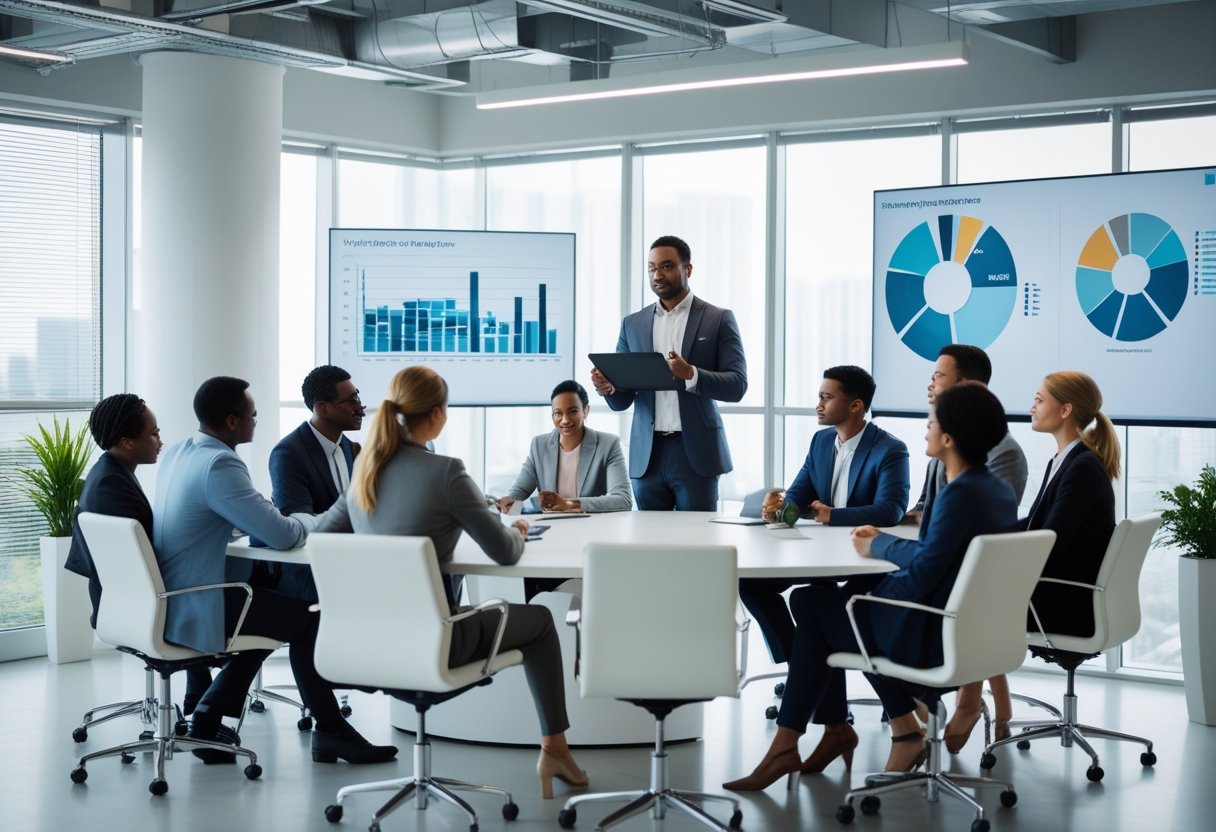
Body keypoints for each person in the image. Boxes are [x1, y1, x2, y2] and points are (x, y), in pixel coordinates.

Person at [723, 382, 1018, 791]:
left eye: (932, 422)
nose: (926, 429)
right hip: (970, 634)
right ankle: (826, 735)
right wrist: (878, 552)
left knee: (812, 607)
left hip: (929, 636)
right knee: (817, 602)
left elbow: (922, 575)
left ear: (949, 438)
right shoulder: (996, 491)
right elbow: (938, 557)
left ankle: (805, 740)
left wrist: (867, 597)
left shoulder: (958, 495)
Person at [313, 365, 589, 799]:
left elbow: (320, 538)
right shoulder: (446, 472)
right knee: (539, 621)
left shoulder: (365, 471)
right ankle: (555, 747)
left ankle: (555, 750)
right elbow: (504, 552)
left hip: (366, 642)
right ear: (438, 414)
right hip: (437, 642)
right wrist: (518, 530)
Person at [154, 376, 396, 765]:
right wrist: (312, 519)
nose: (256, 420)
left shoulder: (182, 452)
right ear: (232, 422)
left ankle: (207, 716)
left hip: (176, 592)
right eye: (252, 415)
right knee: (304, 619)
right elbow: (283, 534)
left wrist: (262, 516)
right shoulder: (221, 463)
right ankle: (330, 730)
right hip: (201, 600)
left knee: (277, 617)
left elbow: (223, 516)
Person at [740, 365, 909, 672]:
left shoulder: (890, 450)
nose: (818, 404)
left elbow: (891, 510)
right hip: (818, 551)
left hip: (861, 555)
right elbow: (798, 496)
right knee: (750, 584)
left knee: (812, 599)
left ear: (855, 405)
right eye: (820, 396)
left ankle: (807, 671)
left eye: (826, 398)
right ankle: (799, 663)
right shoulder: (820, 441)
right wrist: (777, 509)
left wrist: (834, 515)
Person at [908, 345, 1029, 753]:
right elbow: (929, 504)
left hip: (970, 580)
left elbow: (982, 526)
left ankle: (935, 705)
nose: (930, 383)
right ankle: (939, 706)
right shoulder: (944, 438)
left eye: (939, 376)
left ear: (966, 384)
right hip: (951, 565)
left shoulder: (1001, 451)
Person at [65, 394, 213, 712]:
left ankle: (202, 694)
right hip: (141, 607)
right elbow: (149, 558)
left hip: (120, 604)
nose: (161, 441)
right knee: (224, 598)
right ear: (127, 442)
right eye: (154, 433)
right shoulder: (111, 485)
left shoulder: (108, 473)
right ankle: (208, 705)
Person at [590, 235, 747, 511]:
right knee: (649, 537)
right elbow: (621, 400)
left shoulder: (718, 319)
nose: (657, 275)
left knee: (698, 536)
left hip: (696, 454)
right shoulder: (632, 324)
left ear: (688, 269)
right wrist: (609, 388)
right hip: (647, 456)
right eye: (651, 268)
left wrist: (692, 374)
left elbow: (737, 385)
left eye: (666, 266)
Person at [1023, 371, 1119, 636]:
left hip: (1062, 605)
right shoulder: (1065, 460)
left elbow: (1050, 540)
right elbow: (1035, 523)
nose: (1032, 407)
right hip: (1059, 594)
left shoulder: (1082, 467)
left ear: (1065, 410)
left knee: (963, 601)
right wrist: (985, 533)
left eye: (1039, 400)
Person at [266, 364, 366, 602]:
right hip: (310, 578)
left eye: (358, 397)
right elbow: (300, 523)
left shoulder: (350, 448)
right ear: (322, 408)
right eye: (351, 400)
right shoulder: (288, 453)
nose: (360, 408)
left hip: (350, 568)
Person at [496, 380, 631, 515]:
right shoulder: (539, 445)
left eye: (572, 411)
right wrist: (508, 501)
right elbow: (520, 490)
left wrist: (568, 504)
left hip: (593, 523)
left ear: (585, 411)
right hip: (551, 524)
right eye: (558, 413)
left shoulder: (608, 444)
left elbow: (623, 500)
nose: (565, 420)